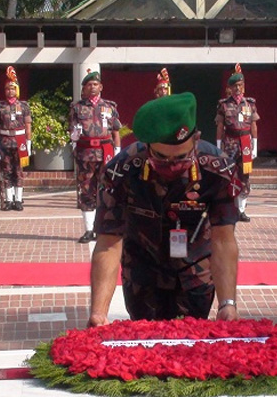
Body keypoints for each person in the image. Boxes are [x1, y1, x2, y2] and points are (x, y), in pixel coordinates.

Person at [88, 92, 241, 326]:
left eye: (181, 157)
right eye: (161, 157)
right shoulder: (121, 171)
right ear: (147, 145)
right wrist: (99, 313)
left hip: (195, 276)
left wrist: (227, 303)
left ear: (196, 139)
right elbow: (109, 241)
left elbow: (223, 239)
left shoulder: (218, 170)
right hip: (142, 274)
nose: (171, 166)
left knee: (190, 350)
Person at [69, 70, 121, 243]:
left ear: (101, 87)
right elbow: (72, 132)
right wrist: (74, 137)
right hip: (85, 154)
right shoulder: (77, 108)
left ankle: (104, 227)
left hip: (106, 153)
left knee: (107, 190)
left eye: (96, 84)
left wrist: (118, 150)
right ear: (84, 88)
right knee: (86, 190)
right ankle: (89, 229)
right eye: (89, 85)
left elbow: (115, 131)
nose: (93, 87)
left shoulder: (110, 107)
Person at [215, 63, 259, 222]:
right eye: (235, 86)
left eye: (240, 85)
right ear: (230, 88)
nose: (238, 89)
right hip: (230, 142)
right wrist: (218, 144)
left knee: (244, 176)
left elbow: (253, 124)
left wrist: (255, 143)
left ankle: (241, 209)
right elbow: (220, 126)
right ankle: (228, 207)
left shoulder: (250, 104)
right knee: (228, 174)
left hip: (246, 142)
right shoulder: (224, 104)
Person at [0, 66, 31, 211]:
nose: (10, 91)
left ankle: (18, 199)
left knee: (18, 171)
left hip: (20, 141)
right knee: (6, 170)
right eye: (8, 89)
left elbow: (28, 126)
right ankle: (9, 199)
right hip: (5, 141)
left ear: (17, 90)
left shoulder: (24, 105)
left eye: (13, 88)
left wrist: (29, 144)